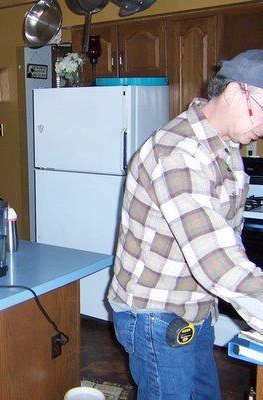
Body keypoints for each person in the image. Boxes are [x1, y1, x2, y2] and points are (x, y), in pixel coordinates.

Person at [107, 49, 263, 399]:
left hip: (196, 306)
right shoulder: (178, 153)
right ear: (237, 92)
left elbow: (225, 238)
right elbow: (215, 260)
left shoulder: (224, 146)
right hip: (156, 315)